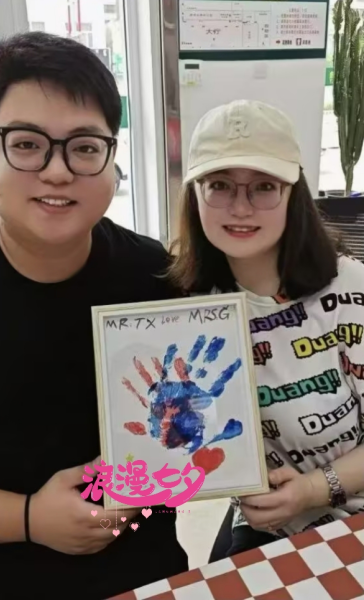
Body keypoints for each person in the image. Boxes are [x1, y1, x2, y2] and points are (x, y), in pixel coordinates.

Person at [0, 31, 188, 599]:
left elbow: (179, 432)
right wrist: (31, 518)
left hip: (143, 569)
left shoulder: (154, 275)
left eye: (84, 146)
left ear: (111, 157)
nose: (57, 172)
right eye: (27, 144)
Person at [167, 99, 364, 560]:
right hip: (267, 521)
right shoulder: (186, 311)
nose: (241, 207)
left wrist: (313, 489)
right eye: (219, 185)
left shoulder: (350, 291)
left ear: (293, 194)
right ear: (194, 195)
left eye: (264, 186)